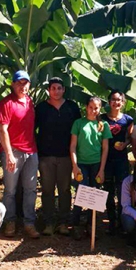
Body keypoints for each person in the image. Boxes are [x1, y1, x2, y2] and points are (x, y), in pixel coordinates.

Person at [34, 77, 81, 236]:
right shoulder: (41, 108)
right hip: (46, 155)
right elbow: (34, 130)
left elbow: (78, 130)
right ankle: (48, 222)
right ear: (49, 90)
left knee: (65, 189)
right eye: (53, 88)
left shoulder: (72, 107)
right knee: (47, 190)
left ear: (64, 90)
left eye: (59, 88)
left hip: (66, 156)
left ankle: (63, 222)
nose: (56, 91)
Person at [0, 70, 40, 239]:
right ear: (13, 84)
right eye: (19, 83)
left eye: (25, 83)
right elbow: (2, 129)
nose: (23, 86)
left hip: (31, 151)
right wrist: (8, 154)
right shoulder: (6, 103)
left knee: (30, 189)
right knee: (10, 190)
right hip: (13, 151)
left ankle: (29, 223)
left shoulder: (29, 102)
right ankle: (10, 221)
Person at [70, 96, 112, 239]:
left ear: (100, 109)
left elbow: (105, 148)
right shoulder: (78, 123)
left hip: (96, 164)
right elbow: (73, 146)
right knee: (81, 193)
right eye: (91, 107)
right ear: (86, 107)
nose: (93, 110)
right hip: (82, 163)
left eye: (96, 108)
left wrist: (102, 169)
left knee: (95, 194)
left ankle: (91, 224)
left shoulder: (103, 125)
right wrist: (75, 166)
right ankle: (75, 225)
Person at [101, 90, 134, 235]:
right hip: (106, 160)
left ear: (123, 102)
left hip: (121, 160)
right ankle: (111, 221)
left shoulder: (128, 120)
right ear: (109, 102)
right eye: (113, 100)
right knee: (108, 191)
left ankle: (122, 222)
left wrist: (125, 144)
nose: (116, 102)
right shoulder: (102, 119)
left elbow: (131, 137)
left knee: (123, 192)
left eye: (118, 100)